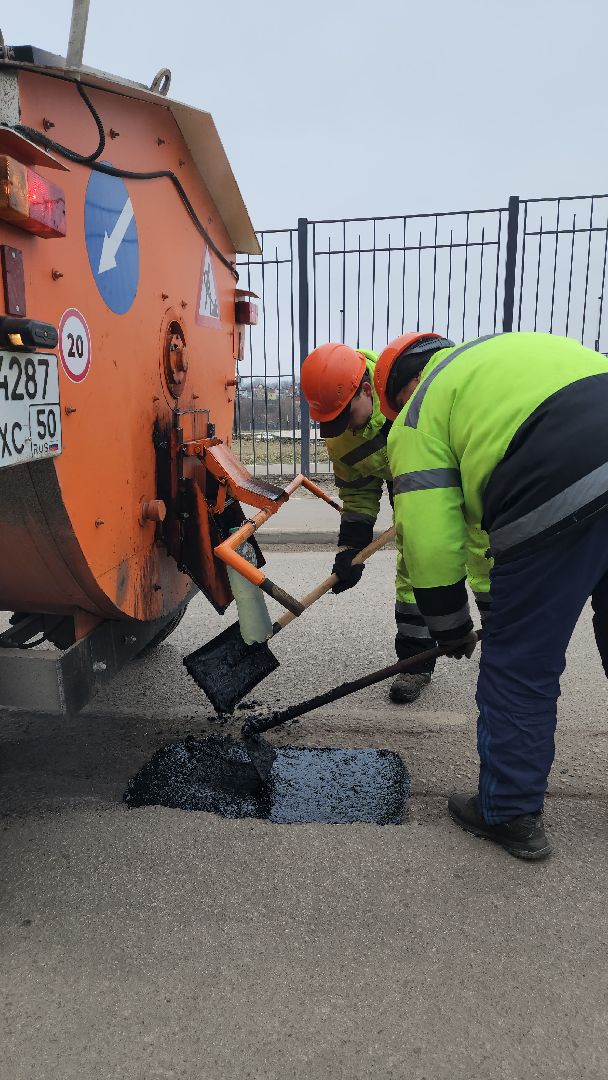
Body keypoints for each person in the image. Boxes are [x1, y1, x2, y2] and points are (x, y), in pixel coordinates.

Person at [374, 329, 608, 860]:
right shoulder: (498, 355)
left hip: (558, 477)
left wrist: (449, 625)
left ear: (405, 388)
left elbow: (430, 540)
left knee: (521, 663)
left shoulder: (419, 411)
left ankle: (509, 810)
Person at [300, 340, 491, 703]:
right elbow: (358, 494)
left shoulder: (410, 387)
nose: (341, 428)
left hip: (463, 470)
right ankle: (415, 663)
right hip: (410, 483)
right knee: (416, 562)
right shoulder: (341, 438)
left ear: (366, 390)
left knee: (485, 557)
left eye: (345, 416)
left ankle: (505, 646)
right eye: (331, 422)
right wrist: (351, 549)